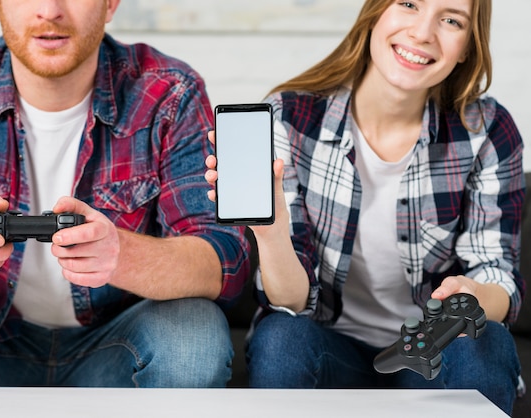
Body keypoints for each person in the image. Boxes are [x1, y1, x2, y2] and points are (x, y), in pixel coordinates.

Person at [0, 0, 251, 387]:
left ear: (110, 4)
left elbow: (226, 261)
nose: (50, 11)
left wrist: (122, 256)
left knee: (193, 333)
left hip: (114, 349)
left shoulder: (168, 93)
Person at [206, 0, 524, 413]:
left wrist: (474, 295)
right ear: (375, 13)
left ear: (466, 46)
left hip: (430, 353)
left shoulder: (486, 131)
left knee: (486, 339)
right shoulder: (291, 117)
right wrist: (272, 233)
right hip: (329, 346)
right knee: (281, 337)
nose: (423, 33)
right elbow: (289, 302)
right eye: (409, 4)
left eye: (451, 20)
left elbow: (497, 270)